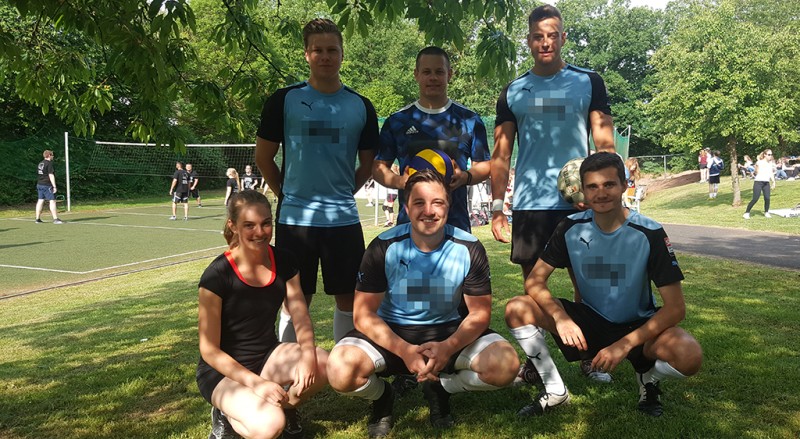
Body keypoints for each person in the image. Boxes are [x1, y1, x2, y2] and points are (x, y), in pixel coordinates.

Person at [504, 152, 703, 418]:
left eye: (609, 184)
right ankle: (555, 390)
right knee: (517, 308)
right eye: (592, 186)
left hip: (638, 325)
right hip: (590, 322)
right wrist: (561, 318)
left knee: (689, 355)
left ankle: (648, 379)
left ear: (624, 185)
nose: (601, 193)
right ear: (583, 191)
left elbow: (676, 308)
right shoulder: (570, 227)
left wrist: (624, 344)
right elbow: (535, 280)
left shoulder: (650, 232)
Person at [326, 170, 519, 438]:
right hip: (392, 334)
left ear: (449, 206)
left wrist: (448, 347)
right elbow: (363, 315)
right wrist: (405, 351)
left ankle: (442, 388)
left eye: (437, 202)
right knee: (340, 371)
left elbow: (479, 313)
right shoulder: (383, 246)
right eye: (419, 203)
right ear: (406, 208)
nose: (429, 211)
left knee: (506, 366)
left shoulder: (469, 247)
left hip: (448, 332)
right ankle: (383, 396)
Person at [490, 4, 616, 384]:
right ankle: (537, 362)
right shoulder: (513, 91)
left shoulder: (588, 82)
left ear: (563, 37)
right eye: (537, 36)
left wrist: (605, 194)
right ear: (528, 40)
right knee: (534, 287)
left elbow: (604, 143)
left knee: (586, 284)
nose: (545, 42)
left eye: (552, 35)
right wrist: (497, 207)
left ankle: (589, 356)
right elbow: (501, 155)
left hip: (578, 203)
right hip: (531, 204)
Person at [255, 18, 378, 343]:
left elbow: (367, 164)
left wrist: (342, 193)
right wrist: (287, 194)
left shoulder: (361, 106)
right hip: (296, 220)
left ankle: (345, 363)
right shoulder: (284, 100)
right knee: (295, 298)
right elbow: (264, 158)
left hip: (343, 219)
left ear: (342, 54)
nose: (325, 56)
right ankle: (289, 364)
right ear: (306, 54)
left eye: (332, 50)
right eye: (318, 50)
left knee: (349, 298)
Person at [197, 190, 328, 439]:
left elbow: (300, 314)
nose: (260, 232)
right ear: (233, 226)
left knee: (322, 362)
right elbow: (209, 351)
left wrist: (307, 354)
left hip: (266, 357)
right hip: (222, 373)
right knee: (270, 424)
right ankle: (225, 413)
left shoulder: (284, 261)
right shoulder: (216, 275)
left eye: (266, 223)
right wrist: (256, 384)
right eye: (249, 225)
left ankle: (282, 406)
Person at [373, 46, 490, 233]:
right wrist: (400, 182)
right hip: (410, 228)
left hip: (455, 225)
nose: (433, 77)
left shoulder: (469, 119)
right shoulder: (398, 121)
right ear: (416, 74)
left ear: (449, 74)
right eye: (427, 72)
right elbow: (378, 168)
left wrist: (465, 177)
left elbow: (484, 166)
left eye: (439, 72)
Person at [743, 149, 777, 219]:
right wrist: (756, 168)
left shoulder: (770, 163)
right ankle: (747, 212)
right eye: (769, 155)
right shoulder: (759, 162)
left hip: (766, 182)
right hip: (758, 182)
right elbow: (756, 171)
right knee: (755, 198)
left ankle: (766, 212)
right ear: (765, 155)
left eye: (771, 155)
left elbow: (771, 172)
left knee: (767, 198)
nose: (770, 156)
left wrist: (773, 182)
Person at [34, 149, 64, 224]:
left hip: (39, 184)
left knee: (40, 200)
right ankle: (55, 219)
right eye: (52, 155)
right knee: (52, 201)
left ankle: (37, 219)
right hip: (47, 185)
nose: (53, 157)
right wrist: (54, 186)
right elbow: (51, 175)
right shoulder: (49, 163)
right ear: (49, 155)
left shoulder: (40, 163)